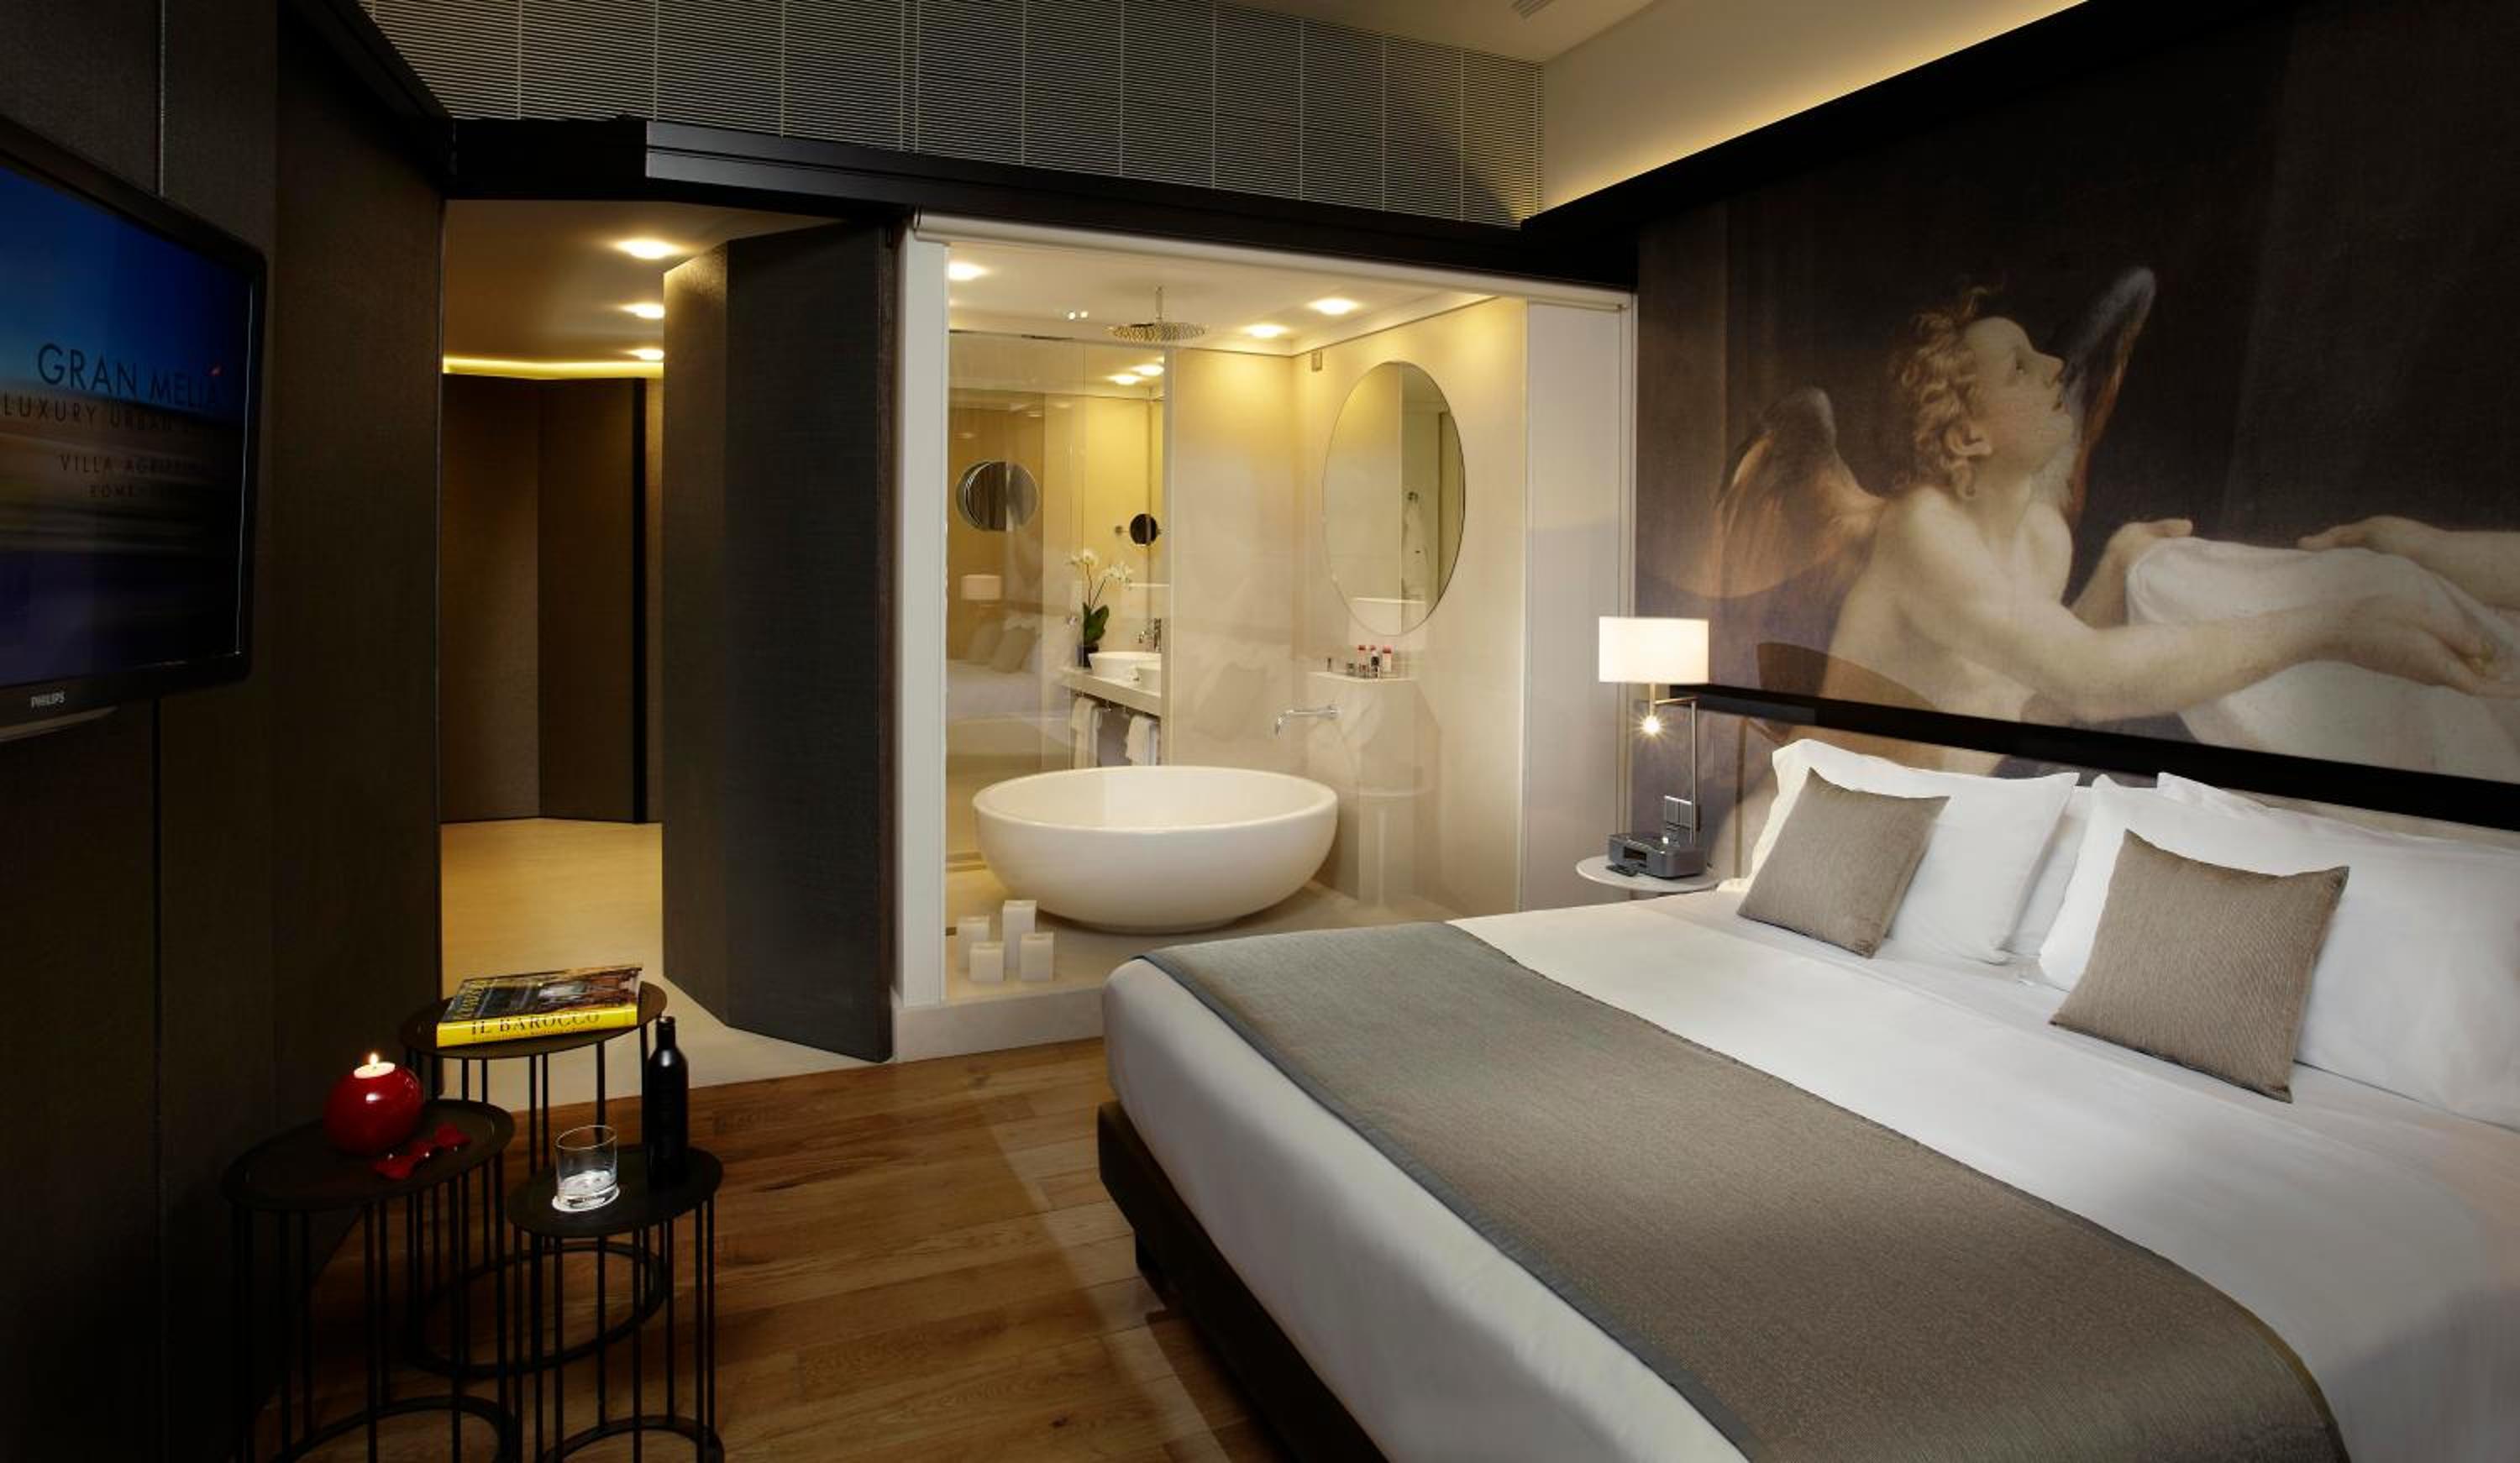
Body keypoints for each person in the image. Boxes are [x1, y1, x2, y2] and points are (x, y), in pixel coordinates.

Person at [1798, 286, 2516, 729]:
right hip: (1835, 824)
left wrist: (2114, 571)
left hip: (1939, 831)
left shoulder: (2042, 537)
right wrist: (2336, 625)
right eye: (2020, 367)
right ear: (1967, 436)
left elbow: (2039, 707)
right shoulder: (1921, 528)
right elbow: (2090, 681)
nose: (2055, 368)